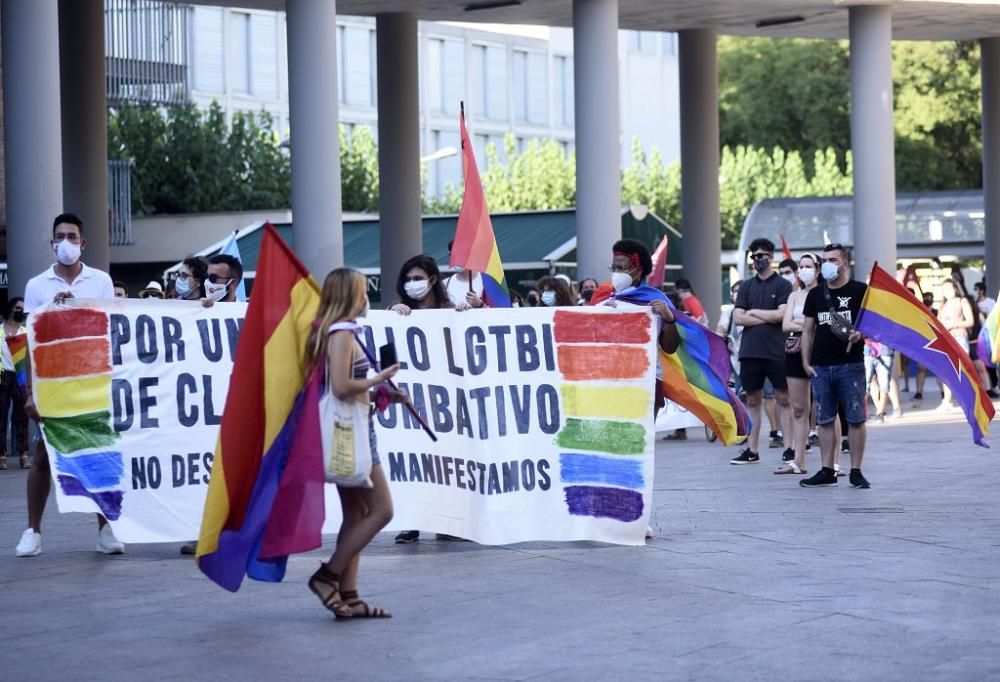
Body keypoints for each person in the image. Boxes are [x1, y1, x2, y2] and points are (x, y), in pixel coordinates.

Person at [16, 213, 121, 557]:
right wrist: (30, 391)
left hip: (90, 381)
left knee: (97, 454)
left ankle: (105, 530)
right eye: (60, 236)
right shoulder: (37, 285)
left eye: (72, 236)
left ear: (83, 243)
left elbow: (109, 328)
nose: (66, 242)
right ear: (51, 243)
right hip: (53, 382)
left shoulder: (100, 281)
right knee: (43, 456)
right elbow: (32, 341)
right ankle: (33, 530)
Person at [304, 268, 404, 619]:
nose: (366, 298)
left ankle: (349, 594)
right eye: (362, 292)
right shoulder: (343, 331)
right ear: (349, 295)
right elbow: (343, 387)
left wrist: (381, 392)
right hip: (354, 431)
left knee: (357, 513)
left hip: (355, 425)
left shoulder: (336, 331)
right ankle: (327, 576)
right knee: (382, 510)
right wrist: (381, 378)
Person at [388, 255, 454, 544]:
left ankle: (448, 522)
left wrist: (473, 313)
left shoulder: (450, 311)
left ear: (433, 281)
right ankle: (411, 521)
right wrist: (393, 313)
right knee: (415, 460)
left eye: (418, 279)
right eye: (409, 279)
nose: (413, 284)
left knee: (446, 461)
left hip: (447, 401)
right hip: (412, 401)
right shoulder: (399, 313)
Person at [799, 243, 870, 489]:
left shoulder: (861, 291)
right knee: (825, 419)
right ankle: (827, 469)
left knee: (856, 418)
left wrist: (860, 334)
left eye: (833, 259)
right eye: (825, 259)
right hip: (821, 366)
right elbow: (807, 331)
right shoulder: (816, 295)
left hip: (851, 365)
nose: (828, 264)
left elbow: (871, 325)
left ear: (845, 263)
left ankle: (856, 470)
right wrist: (806, 363)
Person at [730, 238, 793, 465]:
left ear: (771, 257)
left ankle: (789, 448)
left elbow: (781, 315)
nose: (758, 260)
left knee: (784, 399)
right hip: (750, 352)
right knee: (753, 400)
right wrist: (766, 315)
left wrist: (753, 313)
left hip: (776, 351)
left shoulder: (784, 285)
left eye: (762, 255)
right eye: (755, 256)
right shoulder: (746, 286)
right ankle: (752, 450)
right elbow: (738, 318)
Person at [776, 253, 819, 475]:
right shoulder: (794, 295)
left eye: (808, 266)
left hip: (820, 352)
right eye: (801, 266)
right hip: (794, 351)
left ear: (817, 269)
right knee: (799, 409)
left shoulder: (823, 294)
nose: (804, 270)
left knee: (827, 408)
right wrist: (808, 324)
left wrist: (800, 322)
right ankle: (798, 460)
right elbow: (785, 325)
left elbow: (823, 323)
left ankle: (834, 463)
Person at [937, 278, 975, 410]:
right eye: (944, 289)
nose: (947, 291)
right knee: (947, 371)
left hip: (960, 337)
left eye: (949, 288)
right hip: (946, 340)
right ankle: (947, 400)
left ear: (955, 288)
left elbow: (970, 321)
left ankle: (968, 398)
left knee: (962, 370)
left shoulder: (962, 301)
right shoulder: (943, 305)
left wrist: (953, 324)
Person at [0, 298, 29, 470]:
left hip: (20, 377)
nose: (20, 311)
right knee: (1, 415)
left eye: (22, 309)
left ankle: (23, 454)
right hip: (3, 376)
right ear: (10, 308)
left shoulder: (25, 332)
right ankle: (1, 454)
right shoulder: (0, 330)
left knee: (21, 416)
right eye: (17, 307)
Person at [864, 339, 902, 422]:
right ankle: (880, 409)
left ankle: (892, 408)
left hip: (885, 347)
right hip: (868, 348)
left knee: (886, 380)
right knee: (870, 381)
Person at [444, 240, 485, 310]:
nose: (456, 259)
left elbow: (499, 313)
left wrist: (480, 304)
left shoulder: (487, 281)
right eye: (453, 255)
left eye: (460, 254)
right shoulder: (445, 284)